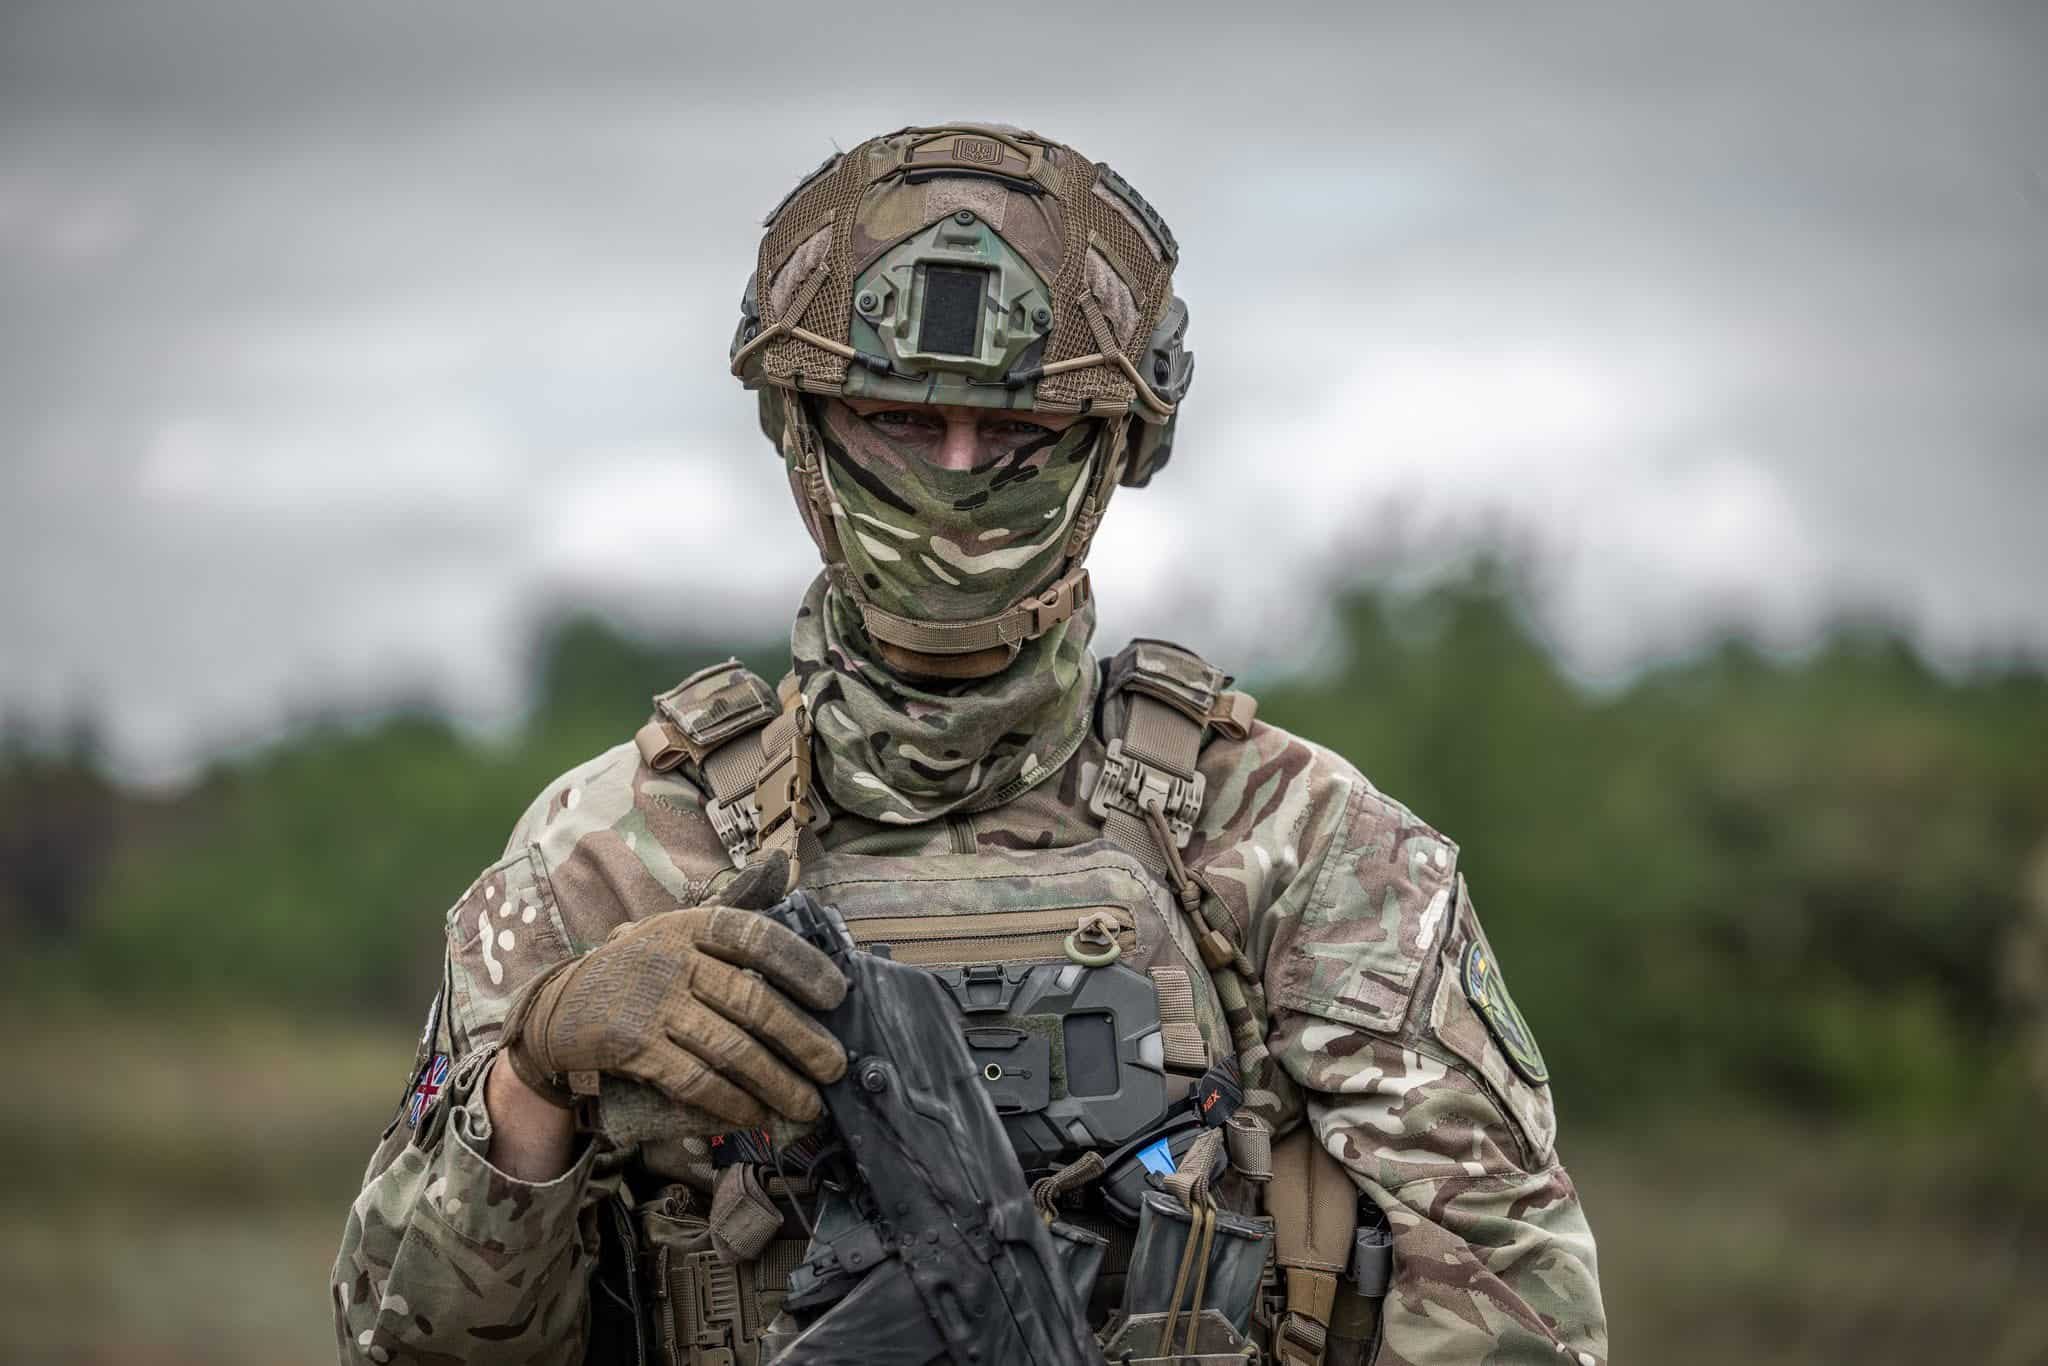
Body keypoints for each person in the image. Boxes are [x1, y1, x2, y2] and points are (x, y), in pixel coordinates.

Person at [332, 123, 1608, 1366]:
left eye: (1016, 432)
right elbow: (403, 1341)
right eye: (898, 421)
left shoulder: (1300, 844)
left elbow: (1516, 1310)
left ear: (1115, 446)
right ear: (800, 428)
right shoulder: (611, 855)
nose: (954, 474)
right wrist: (535, 1081)